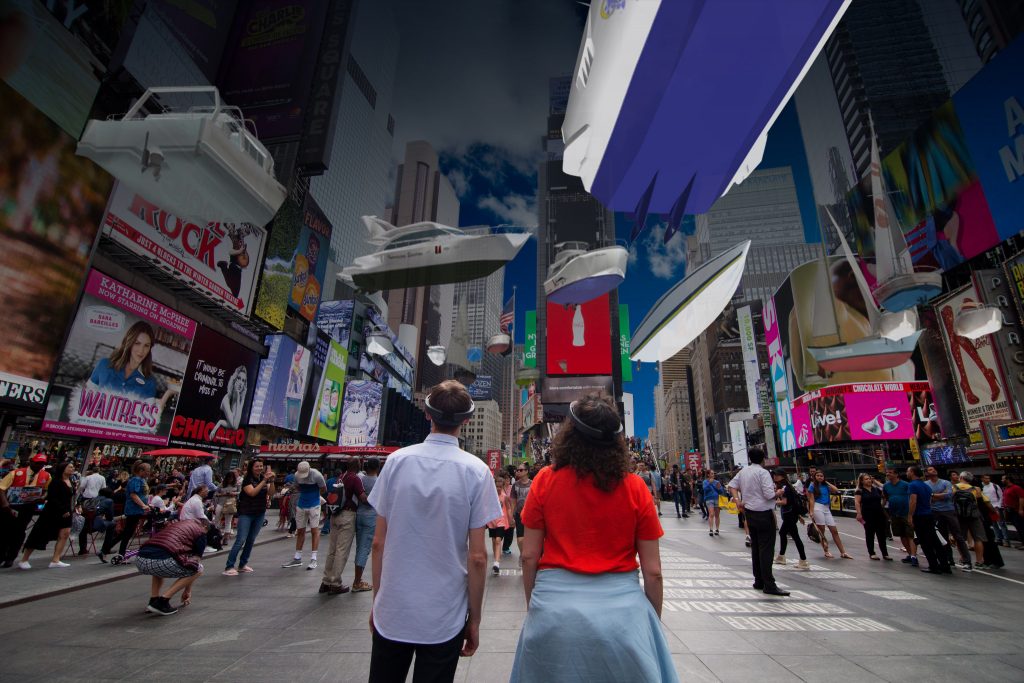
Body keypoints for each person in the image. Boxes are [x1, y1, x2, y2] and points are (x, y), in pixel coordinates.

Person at [511, 393, 676, 682]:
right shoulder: (636, 487)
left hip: (553, 612)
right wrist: (649, 625)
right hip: (623, 618)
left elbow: (528, 556)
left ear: (569, 435)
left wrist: (536, 607)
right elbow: (654, 571)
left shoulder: (545, 481)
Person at [367, 381, 501, 682]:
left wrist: (379, 601)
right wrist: (475, 619)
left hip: (394, 608)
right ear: (466, 420)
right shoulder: (477, 471)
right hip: (445, 614)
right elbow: (478, 556)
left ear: (428, 414)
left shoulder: (396, 462)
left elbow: (378, 543)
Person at [728, 448, 789, 597]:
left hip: (750, 514)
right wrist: (779, 493)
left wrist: (738, 501)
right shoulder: (763, 473)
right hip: (763, 513)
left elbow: (731, 486)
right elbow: (769, 495)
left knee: (756, 548)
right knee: (766, 549)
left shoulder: (743, 472)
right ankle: (769, 584)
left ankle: (759, 580)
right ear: (763, 459)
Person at [136, 518, 222, 616]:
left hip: (140, 560)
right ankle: (162, 602)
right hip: (161, 561)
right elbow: (194, 564)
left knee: (159, 564)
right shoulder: (200, 533)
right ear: (205, 527)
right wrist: (187, 590)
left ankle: (153, 601)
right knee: (199, 568)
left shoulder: (177, 525)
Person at [87, 321, 176, 410]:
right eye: (137, 343)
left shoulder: (150, 382)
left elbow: (148, 417)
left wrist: (168, 393)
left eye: (146, 346)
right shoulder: (104, 365)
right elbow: (85, 398)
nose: (141, 350)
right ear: (129, 342)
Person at [319, 458, 365, 594]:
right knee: (341, 550)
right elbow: (362, 497)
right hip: (347, 515)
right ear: (358, 465)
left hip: (335, 515)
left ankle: (326, 581)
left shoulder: (341, 477)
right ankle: (335, 583)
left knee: (332, 549)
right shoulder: (355, 478)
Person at [18, 461, 75, 569]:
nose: (72, 469)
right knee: (40, 534)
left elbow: (71, 496)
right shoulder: (56, 481)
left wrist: (75, 506)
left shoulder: (71, 481)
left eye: (73, 467)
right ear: (63, 468)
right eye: (70, 467)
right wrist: (62, 510)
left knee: (64, 534)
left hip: (67, 511)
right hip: (53, 511)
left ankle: (56, 559)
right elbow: (52, 497)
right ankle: (24, 559)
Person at [223, 459, 275, 576]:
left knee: (251, 540)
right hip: (246, 512)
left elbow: (271, 493)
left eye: (261, 466)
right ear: (252, 467)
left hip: (259, 512)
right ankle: (229, 566)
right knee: (241, 539)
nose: (259, 468)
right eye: (257, 466)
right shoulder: (247, 479)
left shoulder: (262, 478)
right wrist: (264, 481)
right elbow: (252, 493)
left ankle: (242, 564)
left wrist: (271, 481)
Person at [0, 453, 51, 567]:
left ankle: (11, 557)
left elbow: (48, 490)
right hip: (11, 506)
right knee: (4, 531)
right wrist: (5, 504)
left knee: (19, 532)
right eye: (38, 463)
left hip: (28, 508)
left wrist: (42, 498)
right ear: (31, 462)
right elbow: (2, 488)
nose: (39, 466)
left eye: (42, 464)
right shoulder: (16, 473)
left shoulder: (46, 476)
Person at [100, 460, 151, 562]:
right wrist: (143, 505)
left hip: (138, 509)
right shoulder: (135, 480)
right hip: (133, 509)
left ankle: (107, 550)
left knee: (127, 532)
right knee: (127, 532)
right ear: (141, 470)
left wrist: (146, 505)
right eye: (147, 471)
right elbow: (133, 494)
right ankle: (119, 553)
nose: (148, 473)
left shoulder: (141, 480)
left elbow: (142, 495)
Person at [925, 466, 971, 571]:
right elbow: (928, 496)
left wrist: (933, 495)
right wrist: (940, 494)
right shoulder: (926, 484)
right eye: (930, 470)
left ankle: (967, 561)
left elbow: (949, 495)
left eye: (934, 469)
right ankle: (948, 560)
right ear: (927, 473)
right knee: (942, 538)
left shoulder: (946, 482)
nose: (934, 470)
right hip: (935, 512)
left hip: (949, 511)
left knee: (958, 536)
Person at [282, 461, 326, 570]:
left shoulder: (316, 475)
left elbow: (323, 488)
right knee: (300, 530)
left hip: (314, 504)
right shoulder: (297, 475)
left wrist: (314, 496)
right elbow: (297, 487)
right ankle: (297, 558)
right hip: (302, 504)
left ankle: (314, 558)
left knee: (314, 530)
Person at [908, 465, 949, 574]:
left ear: (912, 472)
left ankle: (933, 565)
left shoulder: (913, 485)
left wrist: (910, 515)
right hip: (928, 514)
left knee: (925, 543)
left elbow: (913, 501)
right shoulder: (926, 485)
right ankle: (945, 565)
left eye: (908, 471)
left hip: (919, 516)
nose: (907, 473)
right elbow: (930, 500)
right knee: (935, 541)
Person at [806, 471, 852, 560]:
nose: (819, 477)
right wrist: (811, 511)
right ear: (814, 477)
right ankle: (826, 551)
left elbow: (836, 490)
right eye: (818, 476)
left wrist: (826, 482)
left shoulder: (826, 486)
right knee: (821, 530)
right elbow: (811, 500)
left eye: (821, 476)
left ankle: (843, 552)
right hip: (818, 507)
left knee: (834, 530)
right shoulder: (812, 486)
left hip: (827, 508)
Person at [772, 469, 809, 570]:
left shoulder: (784, 487)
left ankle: (803, 560)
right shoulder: (788, 486)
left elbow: (784, 502)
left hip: (789, 515)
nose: (775, 477)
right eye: (774, 475)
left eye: (777, 475)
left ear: (782, 476)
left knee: (795, 536)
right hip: (791, 514)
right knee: (783, 533)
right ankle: (781, 556)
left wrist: (772, 502)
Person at [352, 458, 380, 592]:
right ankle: (357, 582)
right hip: (371, 518)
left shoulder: (360, 479)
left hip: (359, 515)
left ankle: (358, 579)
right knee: (364, 549)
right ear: (378, 468)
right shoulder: (378, 482)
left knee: (359, 548)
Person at [953, 471, 988, 569]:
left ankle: (963, 558)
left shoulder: (954, 488)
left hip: (959, 516)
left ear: (960, 477)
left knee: (960, 538)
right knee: (978, 538)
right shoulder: (976, 489)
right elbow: (985, 502)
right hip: (974, 516)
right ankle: (979, 561)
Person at [882, 468, 917, 566]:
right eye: (887, 473)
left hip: (906, 513)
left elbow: (913, 498)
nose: (888, 474)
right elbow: (885, 498)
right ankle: (910, 554)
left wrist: (912, 513)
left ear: (896, 474)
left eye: (890, 472)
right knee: (901, 534)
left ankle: (914, 556)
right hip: (894, 514)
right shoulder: (886, 486)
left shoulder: (906, 485)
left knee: (910, 534)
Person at [854, 473, 891, 561]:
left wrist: (882, 505)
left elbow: (884, 496)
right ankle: (872, 553)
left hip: (879, 513)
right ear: (862, 481)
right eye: (866, 479)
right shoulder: (860, 491)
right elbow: (857, 502)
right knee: (870, 534)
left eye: (869, 479)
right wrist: (859, 513)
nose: (869, 480)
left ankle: (885, 554)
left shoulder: (876, 489)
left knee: (881, 534)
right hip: (867, 514)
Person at [486, 472, 514, 575]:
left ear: (502, 486)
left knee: (498, 540)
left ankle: (497, 563)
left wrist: (511, 519)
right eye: (496, 486)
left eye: (499, 486)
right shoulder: (489, 496)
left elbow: (509, 508)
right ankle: (496, 560)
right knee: (494, 541)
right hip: (491, 521)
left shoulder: (505, 497)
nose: (498, 488)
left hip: (501, 520)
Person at [510, 462, 532, 559]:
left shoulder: (533, 484)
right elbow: (513, 501)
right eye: (518, 470)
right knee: (520, 539)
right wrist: (511, 516)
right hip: (519, 514)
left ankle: (527, 556)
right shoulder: (515, 485)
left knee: (529, 538)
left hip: (530, 514)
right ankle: (522, 555)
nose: (518, 471)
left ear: (526, 471)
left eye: (521, 470)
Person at [981, 474, 1009, 547]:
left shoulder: (995, 486)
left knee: (1001, 523)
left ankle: (1006, 540)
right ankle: (998, 538)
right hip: (988, 507)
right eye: (986, 478)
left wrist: (999, 505)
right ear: (982, 479)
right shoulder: (982, 487)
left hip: (996, 506)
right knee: (994, 524)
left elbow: (1001, 496)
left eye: (989, 478)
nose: (988, 479)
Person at [213, 471, 238, 536]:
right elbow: (215, 494)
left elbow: (240, 492)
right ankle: (216, 533)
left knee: (228, 521)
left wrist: (233, 493)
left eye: (232, 478)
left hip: (230, 504)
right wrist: (222, 494)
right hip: (221, 503)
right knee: (217, 518)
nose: (230, 480)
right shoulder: (221, 484)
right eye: (229, 478)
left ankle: (226, 537)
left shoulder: (236, 485)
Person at [1003, 473, 1024, 549]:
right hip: (1010, 511)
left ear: (1008, 480)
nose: (1002, 480)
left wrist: (1021, 509)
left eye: (1003, 479)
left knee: (1021, 527)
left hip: (1016, 510)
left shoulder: (1016, 488)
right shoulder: (1006, 488)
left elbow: (1021, 498)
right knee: (1018, 527)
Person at [703, 470, 725, 536]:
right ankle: (711, 529)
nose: (713, 475)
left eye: (713, 473)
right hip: (709, 499)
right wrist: (709, 483)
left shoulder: (717, 482)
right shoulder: (705, 482)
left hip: (717, 499)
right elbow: (705, 489)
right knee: (711, 514)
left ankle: (717, 529)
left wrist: (717, 487)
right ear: (708, 475)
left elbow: (721, 491)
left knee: (717, 515)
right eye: (711, 473)